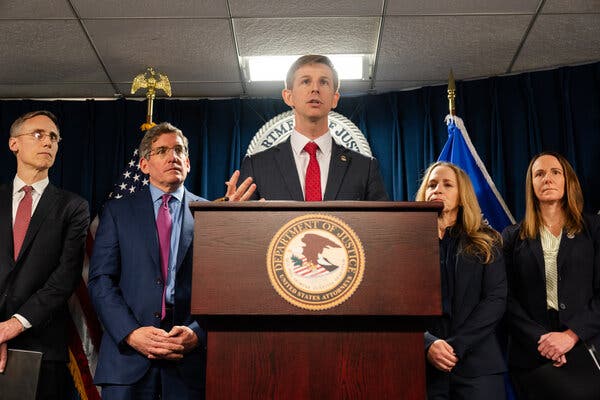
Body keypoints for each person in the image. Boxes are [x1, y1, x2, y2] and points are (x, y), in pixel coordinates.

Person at [88, 122, 254, 399]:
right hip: (127, 361)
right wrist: (131, 333)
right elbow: (100, 281)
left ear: (188, 163)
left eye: (179, 150)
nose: (172, 156)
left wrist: (197, 333)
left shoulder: (211, 214)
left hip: (189, 362)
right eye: (162, 150)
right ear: (144, 164)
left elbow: (226, 289)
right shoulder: (117, 211)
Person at [0, 110, 89, 399]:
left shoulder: (73, 207)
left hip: (42, 348)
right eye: (38, 134)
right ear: (14, 144)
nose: (47, 142)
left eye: (53, 137)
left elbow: (65, 276)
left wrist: (11, 326)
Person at [502, 152, 600, 399]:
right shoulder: (512, 237)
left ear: (568, 180)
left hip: (586, 344)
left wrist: (571, 335)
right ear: (531, 185)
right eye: (539, 174)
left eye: (555, 172)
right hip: (534, 352)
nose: (547, 179)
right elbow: (505, 298)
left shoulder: (594, 230)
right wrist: (543, 341)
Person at [239, 54, 388, 201]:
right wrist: (230, 212)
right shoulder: (256, 165)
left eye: (323, 82)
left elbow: (382, 223)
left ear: (334, 99)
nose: (315, 89)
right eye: (305, 82)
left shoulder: (364, 167)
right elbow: (242, 224)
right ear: (288, 96)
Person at [416, 161, 507, 400]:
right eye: (432, 184)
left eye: (447, 185)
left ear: (462, 195)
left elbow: (495, 300)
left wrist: (454, 346)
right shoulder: (406, 242)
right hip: (422, 367)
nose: (437, 189)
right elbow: (393, 304)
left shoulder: (486, 241)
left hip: (478, 367)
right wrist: (427, 343)